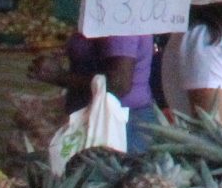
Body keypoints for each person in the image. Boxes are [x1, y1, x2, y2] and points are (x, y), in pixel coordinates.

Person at [29, 29, 159, 153]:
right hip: (105, 118)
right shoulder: (105, 18)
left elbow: (118, 84)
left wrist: (59, 76)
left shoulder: (120, 22)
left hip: (118, 124)